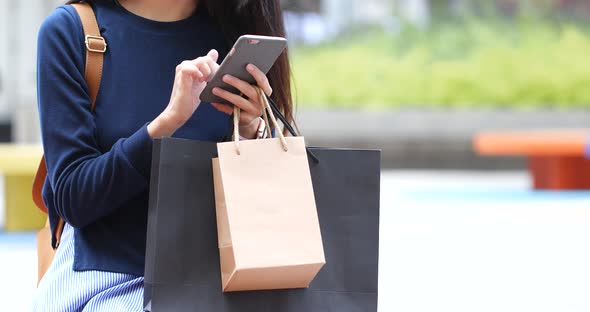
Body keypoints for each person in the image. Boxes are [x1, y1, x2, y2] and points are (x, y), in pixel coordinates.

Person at [32, 0, 293, 310]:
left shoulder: (235, 39)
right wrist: (166, 123)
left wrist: (252, 130)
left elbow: (269, 208)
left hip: (223, 279)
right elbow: (73, 198)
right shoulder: (75, 31)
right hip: (109, 283)